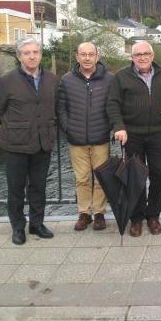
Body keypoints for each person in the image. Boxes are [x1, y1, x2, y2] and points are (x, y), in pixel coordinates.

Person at [0, 37, 57, 245]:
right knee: (16, 189)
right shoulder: (7, 81)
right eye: (27, 52)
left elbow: (54, 107)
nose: (32, 56)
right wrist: (14, 126)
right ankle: (18, 228)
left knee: (39, 187)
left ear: (40, 55)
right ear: (19, 56)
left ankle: (37, 224)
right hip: (16, 144)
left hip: (42, 142)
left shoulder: (52, 80)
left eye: (35, 52)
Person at [106, 41, 161, 237]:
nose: (142, 57)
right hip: (132, 134)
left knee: (158, 174)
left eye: (146, 54)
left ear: (153, 56)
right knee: (135, 177)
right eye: (138, 55)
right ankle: (136, 217)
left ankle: (153, 215)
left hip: (157, 133)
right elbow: (112, 103)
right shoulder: (121, 77)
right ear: (132, 57)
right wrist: (118, 126)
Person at [57, 41, 114, 231]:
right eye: (84, 54)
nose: (87, 58)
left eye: (91, 54)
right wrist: (68, 128)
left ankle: (98, 213)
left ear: (97, 56)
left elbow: (113, 106)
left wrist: (110, 127)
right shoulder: (66, 80)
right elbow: (61, 108)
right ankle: (84, 213)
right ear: (77, 57)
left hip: (101, 138)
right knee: (81, 178)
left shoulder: (109, 79)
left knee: (101, 178)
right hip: (76, 139)